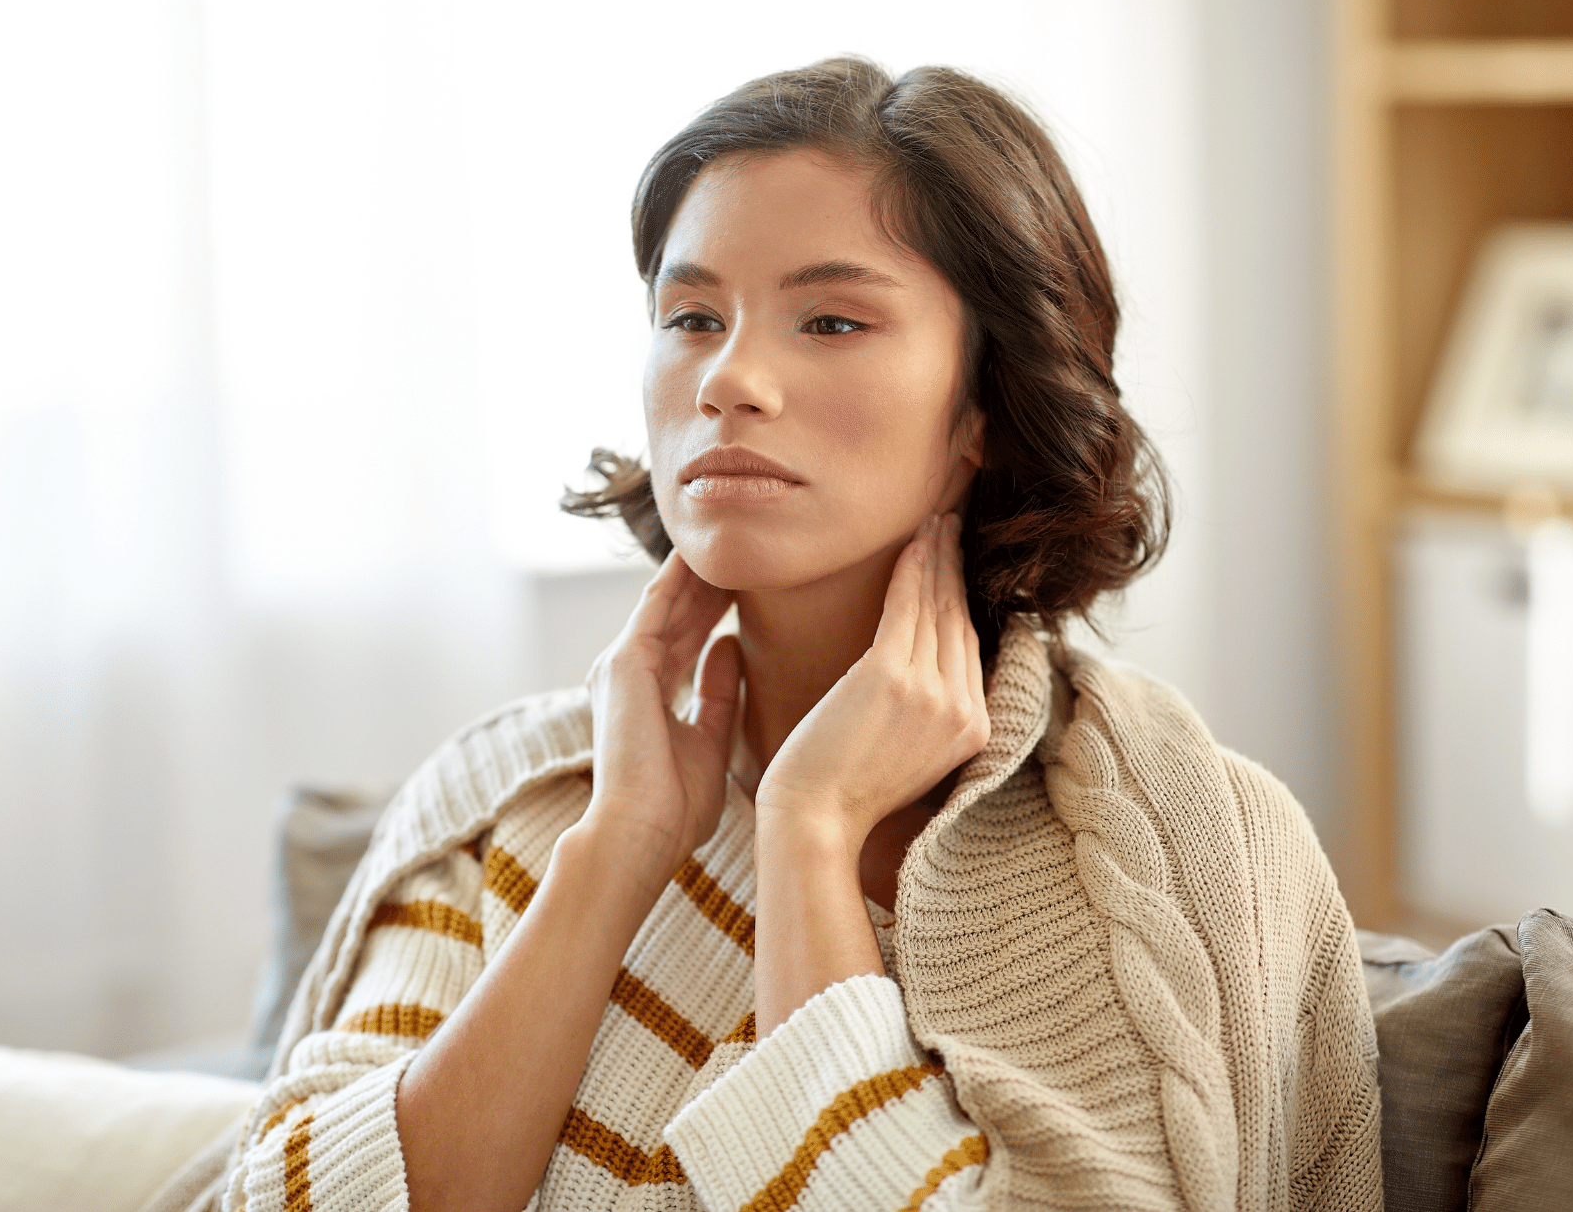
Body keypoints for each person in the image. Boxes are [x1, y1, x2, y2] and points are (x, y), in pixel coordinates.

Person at [210, 58, 1381, 1212]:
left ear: (983, 404)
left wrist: (808, 833)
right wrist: (618, 849)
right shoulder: (506, 797)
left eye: (828, 320)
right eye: (690, 317)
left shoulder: (1171, 857)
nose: (728, 378)